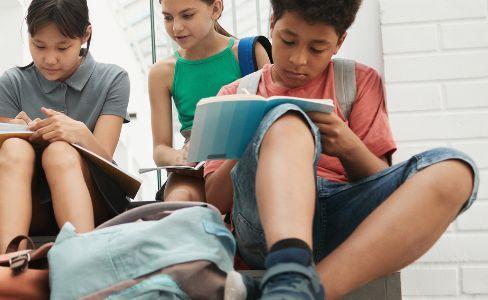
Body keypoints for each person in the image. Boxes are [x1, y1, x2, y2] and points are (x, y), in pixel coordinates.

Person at [201, 0, 480, 298]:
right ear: (272, 24)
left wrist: (349, 146)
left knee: (456, 170)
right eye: (288, 41)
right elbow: (214, 199)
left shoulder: (359, 82)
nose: (298, 59)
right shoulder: (234, 94)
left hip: (343, 216)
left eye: (317, 48)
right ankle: (291, 274)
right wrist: (249, 144)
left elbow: (383, 187)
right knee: (287, 122)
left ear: (339, 42)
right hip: (262, 223)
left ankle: (294, 289)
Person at [0, 0, 132, 254]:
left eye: (63, 47)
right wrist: (25, 136)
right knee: (13, 147)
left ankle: (79, 259)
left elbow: (107, 163)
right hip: (32, 205)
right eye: (38, 45)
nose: (49, 59)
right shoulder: (12, 83)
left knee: (60, 152)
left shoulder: (113, 79)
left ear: (85, 35)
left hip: (96, 200)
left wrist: (78, 134)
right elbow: (7, 166)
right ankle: (11, 260)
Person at [148, 0, 269, 204]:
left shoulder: (248, 53)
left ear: (215, 9)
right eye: (168, 17)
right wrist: (180, 157)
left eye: (187, 15)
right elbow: (160, 149)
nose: (176, 27)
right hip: (195, 170)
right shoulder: (162, 73)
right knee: (179, 201)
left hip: (247, 159)